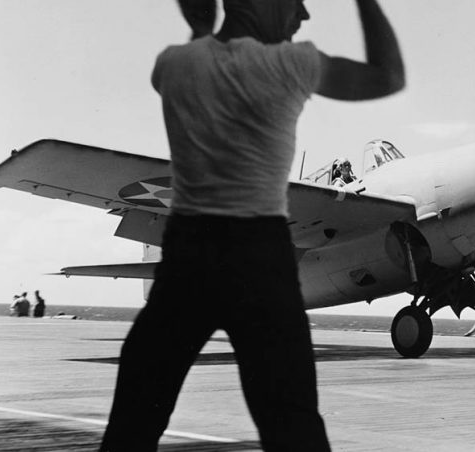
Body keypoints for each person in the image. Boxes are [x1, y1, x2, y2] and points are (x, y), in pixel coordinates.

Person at [100, 1, 404, 451]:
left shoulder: (173, 64)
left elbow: (190, 62)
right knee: (293, 426)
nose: (304, 16)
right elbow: (388, 75)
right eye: (295, 4)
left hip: (188, 258)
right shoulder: (292, 62)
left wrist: (201, 27)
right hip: (261, 259)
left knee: (133, 423)